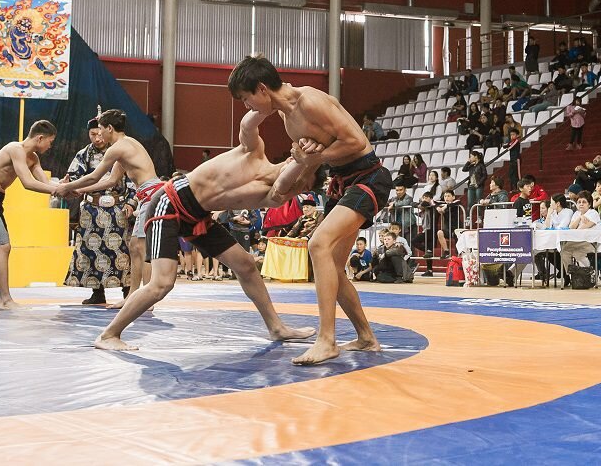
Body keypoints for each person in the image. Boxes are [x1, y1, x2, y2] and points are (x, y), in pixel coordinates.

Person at [91, 106, 322, 351]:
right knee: (162, 283)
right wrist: (269, 106)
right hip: (169, 202)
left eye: (302, 188)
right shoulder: (254, 152)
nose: (296, 190)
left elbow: (284, 183)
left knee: (245, 264)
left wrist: (304, 161)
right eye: (300, 183)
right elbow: (247, 125)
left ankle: (276, 327)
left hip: (196, 215)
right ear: (288, 161)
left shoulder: (273, 196)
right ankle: (109, 334)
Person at [228, 56, 394, 366]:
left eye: (246, 98)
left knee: (318, 243)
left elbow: (357, 142)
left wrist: (310, 159)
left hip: (369, 177)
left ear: (261, 89)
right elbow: (311, 164)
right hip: (342, 183)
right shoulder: (287, 118)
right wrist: (288, 182)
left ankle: (326, 340)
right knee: (331, 263)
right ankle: (367, 337)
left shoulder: (310, 101)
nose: (247, 106)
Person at [56, 109, 162, 310]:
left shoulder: (117, 148)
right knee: (134, 247)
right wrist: (78, 190)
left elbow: (94, 176)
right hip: (149, 195)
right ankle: (133, 296)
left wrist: (67, 187)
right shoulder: (128, 144)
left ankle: (144, 298)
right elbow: (110, 180)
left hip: (150, 196)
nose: (99, 135)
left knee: (141, 248)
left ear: (110, 128)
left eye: (101, 130)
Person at [0, 120, 61, 309]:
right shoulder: (15, 149)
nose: (51, 146)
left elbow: (45, 183)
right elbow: (28, 183)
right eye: (50, 142)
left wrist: (64, 188)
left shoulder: (34, 158)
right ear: (40, 138)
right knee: (3, 247)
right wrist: (56, 190)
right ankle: (5, 300)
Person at [63, 116, 137, 305]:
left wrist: (131, 202)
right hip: (91, 210)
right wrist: (67, 185)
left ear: (107, 131)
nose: (97, 138)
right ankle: (98, 292)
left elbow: (132, 178)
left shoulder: (120, 151)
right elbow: (74, 178)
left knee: (122, 251)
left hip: (117, 208)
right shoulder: (83, 155)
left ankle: (128, 291)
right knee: (91, 250)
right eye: (92, 134)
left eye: (99, 133)